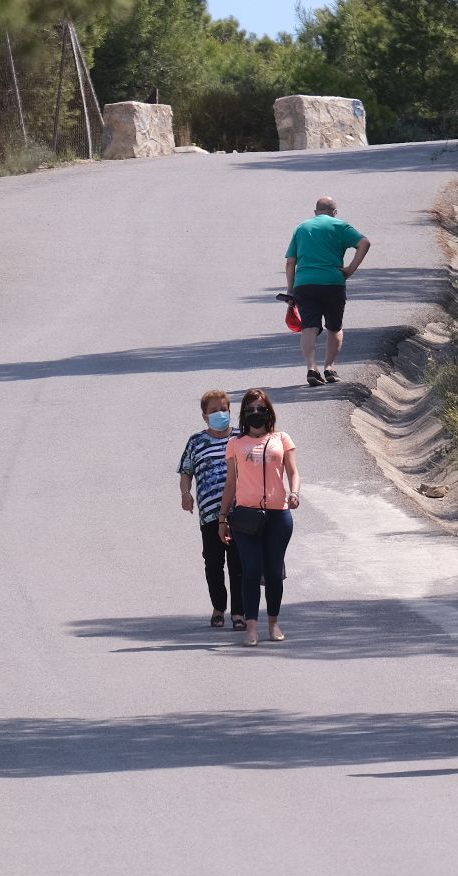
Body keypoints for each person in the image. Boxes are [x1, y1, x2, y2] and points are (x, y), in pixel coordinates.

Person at [219, 389, 300, 647]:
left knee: (274, 573)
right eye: (250, 409)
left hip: (279, 515)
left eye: (260, 408)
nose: (256, 413)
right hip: (246, 517)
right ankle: (251, 627)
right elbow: (231, 483)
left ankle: (273, 623)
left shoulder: (282, 439)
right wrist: (222, 518)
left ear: (269, 411)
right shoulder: (235, 443)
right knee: (251, 570)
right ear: (243, 414)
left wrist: (295, 493)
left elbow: (293, 472)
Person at [284, 196, 370, 387]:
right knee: (334, 327)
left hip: (305, 284)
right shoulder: (340, 226)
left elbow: (290, 262)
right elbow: (364, 243)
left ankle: (311, 368)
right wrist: (350, 269)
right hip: (333, 282)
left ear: (315, 212)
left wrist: (290, 289)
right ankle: (330, 368)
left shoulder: (302, 228)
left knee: (309, 327)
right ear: (335, 212)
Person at [179, 389, 245, 630]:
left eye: (223, 409)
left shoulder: (240, 438)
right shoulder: (197, 442)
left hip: (240, 512)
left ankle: (239, 613)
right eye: (214, 410)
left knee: (238, 563)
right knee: (213, 563)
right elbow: (186, 471)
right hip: (209, 514)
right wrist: (186, 494)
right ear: (205, 416)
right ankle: (219, 608)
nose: (220, 414)